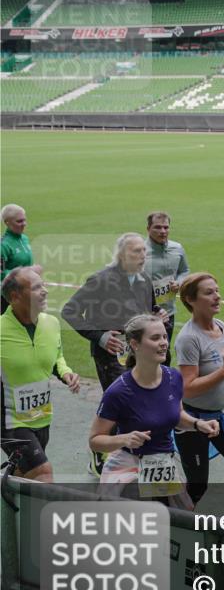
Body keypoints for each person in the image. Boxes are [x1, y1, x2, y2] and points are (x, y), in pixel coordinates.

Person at [62, 232, 167, 476]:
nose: (142, 256)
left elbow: (149, 309)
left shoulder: (144, 279)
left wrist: (157, 315)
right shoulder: (100, 280)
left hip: (138, 354)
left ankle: (131, 451)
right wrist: (99, 337)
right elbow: (70, 311)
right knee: (121, 403)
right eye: (136, 251)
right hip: (110, 356)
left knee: (137, 402)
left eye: (144, 251)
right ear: (121, 255)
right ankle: (99, 451)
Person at [90, 314, 219, 508]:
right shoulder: (118, 391)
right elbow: (95, 440)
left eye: (165, 337)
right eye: (155, 338)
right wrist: (123, 439)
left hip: (162, 462)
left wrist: (197, 424)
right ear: (135, 344)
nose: (163, 343)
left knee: (184, 514)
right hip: (128, 464)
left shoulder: (173, 378)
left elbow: (175, 416)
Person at [174, 272, 224, 515]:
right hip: (195, 421)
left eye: (217, 290)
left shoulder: (220, 326)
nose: (217, 296)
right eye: (209, 293)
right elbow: (187, 387)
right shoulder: (188, 339)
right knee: (197, 487)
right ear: (190, 299)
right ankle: (170, 527)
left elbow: (222, 357)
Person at [1, 268, 80, 483]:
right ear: (15, 296)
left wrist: (66, 373)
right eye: (36, 288)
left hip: (41, 415)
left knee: (25, 476)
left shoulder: (51, 324)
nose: (44, 291)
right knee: (43, 472)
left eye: (43, 285)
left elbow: (57, 356)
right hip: (9, 421)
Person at [144, 211, 190, 366]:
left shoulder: (177, 249)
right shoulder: (140, 252)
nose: (163, 231)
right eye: (157, 227)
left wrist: (180, 282)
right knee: (143, 358)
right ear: (148, 229)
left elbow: (185, 270)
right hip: (144, 316)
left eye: (166, 227)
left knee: (163, 357)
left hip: (168, 313)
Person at [1, 204, 43, 314]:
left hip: (25, 293)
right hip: (8, 298)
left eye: (24, 220)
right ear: (7, 222)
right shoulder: (3, 245)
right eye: (19, 221)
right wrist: (28, 272)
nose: (23, 224)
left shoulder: (24, 239)